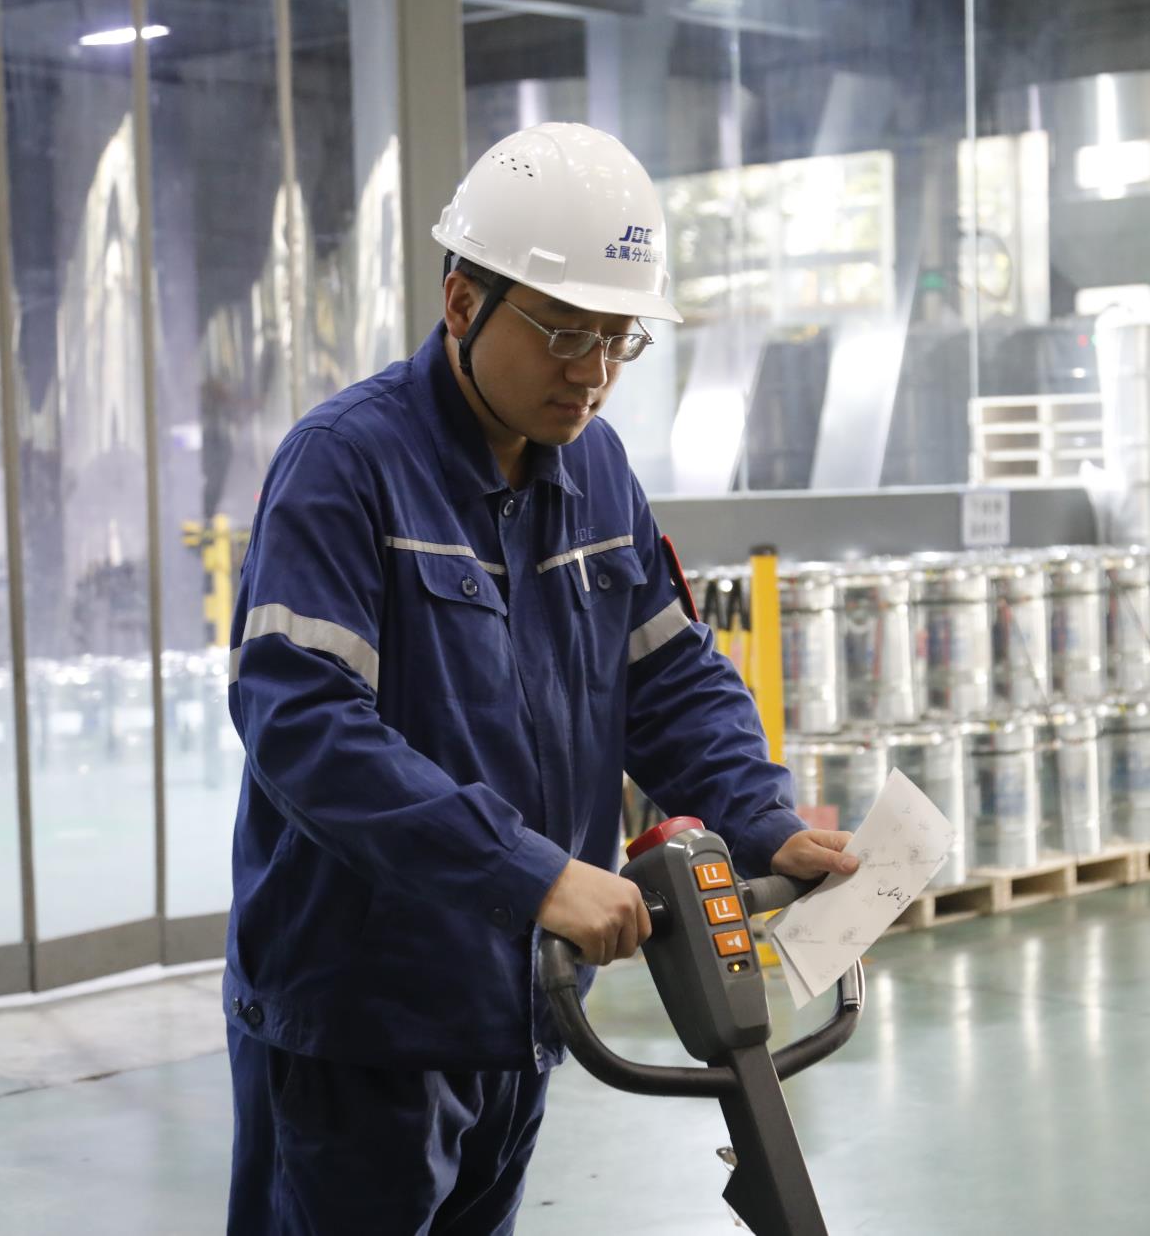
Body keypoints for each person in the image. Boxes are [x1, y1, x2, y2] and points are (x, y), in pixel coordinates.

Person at [221, 122, 857, 1234]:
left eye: (620, 340)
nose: (593, 373)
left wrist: (762, 819)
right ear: (462, 301)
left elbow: (670, 680)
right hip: (362, 1018)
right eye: (566, 332)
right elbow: (305, 729)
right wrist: (530, 871)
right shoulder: (345, 466)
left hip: (524, 1004)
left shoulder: (595, 468)